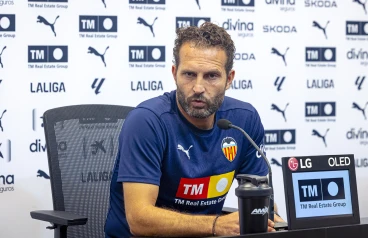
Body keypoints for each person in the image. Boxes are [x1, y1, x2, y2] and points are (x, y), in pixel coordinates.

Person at [104, 22, 283, 237]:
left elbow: (259, 200)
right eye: (189, 74)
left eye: (211, 76)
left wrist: (274, 221)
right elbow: (140, 220)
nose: (198, 88)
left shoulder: (244, 121)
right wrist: (217, 225)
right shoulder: (147, 122)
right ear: (174, 73)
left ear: (229, 79)